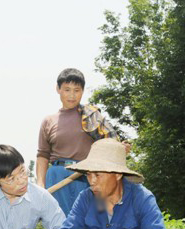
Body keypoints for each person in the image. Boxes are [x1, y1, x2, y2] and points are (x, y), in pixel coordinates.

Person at [54, 138, 170, 229]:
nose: (92, 181)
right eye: (88, 175)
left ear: (118, 174)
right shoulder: (85, 198)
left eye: (97, 174)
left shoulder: (142, 199)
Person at [36, 68, 121, 216]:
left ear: (82, 91)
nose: (72, 95)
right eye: (67, 89)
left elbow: (109, 143)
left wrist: (119, 149)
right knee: (59, 223)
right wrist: (40, 184)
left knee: (89, 221)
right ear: (58, 89)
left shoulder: (91, 117)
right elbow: (43, 155)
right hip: (57, 176)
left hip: (86, 175)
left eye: (77, 90)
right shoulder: (48, 121)